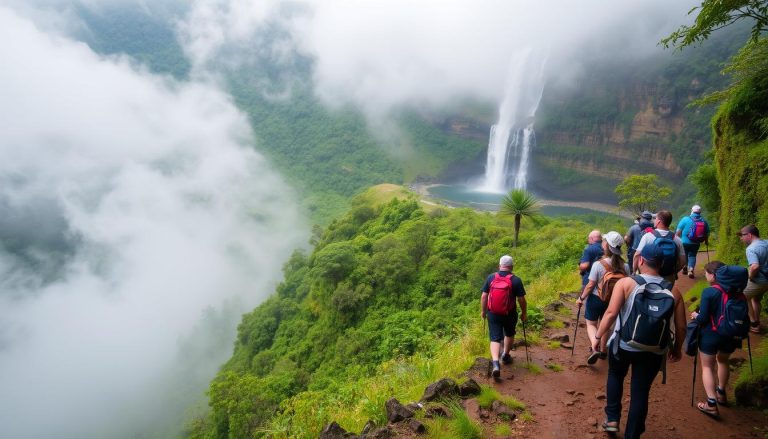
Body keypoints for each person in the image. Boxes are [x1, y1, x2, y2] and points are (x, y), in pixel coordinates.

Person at [592, 243, 686, 438]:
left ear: (641, 260)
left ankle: (612, 420)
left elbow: (610, 314)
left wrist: (598, 336)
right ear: (661, 264)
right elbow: (681, 326)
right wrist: (676, 349)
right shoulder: (674, 291)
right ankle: (633, 434)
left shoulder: (626, 283)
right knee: (641, 390)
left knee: (616, 375)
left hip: (624, 345)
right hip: (653, 350)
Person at [690, 261, 739, 417]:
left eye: (707, 272)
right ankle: (721, 393)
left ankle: (711, 403)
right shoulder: (737, 291)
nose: (705, 275)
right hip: (730, 335)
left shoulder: (709, 292)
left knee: (707, 368)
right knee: (723, 361)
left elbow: (703, 318)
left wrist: (695, 315)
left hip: (711, 335)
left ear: (713, 275)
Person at [577, 231, 629, 364]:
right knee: (606, 323)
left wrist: (581, 298)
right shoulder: (626, 266)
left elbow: (590, 285)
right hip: (614, 301)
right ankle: (603, 351)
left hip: (596, 298)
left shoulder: (598, 264)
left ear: (606, 246)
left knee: (591, 323)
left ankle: (595, 346)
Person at [481, 255, 527, 377]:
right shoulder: (516, 280)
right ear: (511, 267)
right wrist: (524, 313)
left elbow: (484, 296)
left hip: (493, 313)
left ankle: (496, 363)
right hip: (509, 314)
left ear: (499, 265)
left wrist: (483, 311)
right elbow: (521, 300)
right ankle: (506, 355)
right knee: (509, 333)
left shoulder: (491, 277)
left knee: (495, 338)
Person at [633, 210, 685, 285]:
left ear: (659, 221)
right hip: (669, 277)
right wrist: (674, 271)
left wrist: (634, 271)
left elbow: (637, 255)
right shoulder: (677, 239)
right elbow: (683, 261)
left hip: (650, 276)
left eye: (655, 219)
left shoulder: (648, 236)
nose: (654, 220)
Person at [738, 224, 768, 333]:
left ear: (749, 235)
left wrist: (750, 276)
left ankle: (753, 323)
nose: (741, 238)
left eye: (742, 235)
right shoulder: (766, 242)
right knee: (755, 299)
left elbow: (754, 266)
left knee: (742, 296)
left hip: (759, 281)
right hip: (766, 281)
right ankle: (757, 322)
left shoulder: (751, 249)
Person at [676, 205, 710, 279]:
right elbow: (707, 233)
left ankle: (685, 266)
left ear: (692, 211)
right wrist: (706, 241)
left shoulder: (685, 219)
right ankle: (690, 269)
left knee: (684, 254)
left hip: (684, 242)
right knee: (692, 256)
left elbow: (678, 231)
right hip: (696, 243)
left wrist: (676, 240)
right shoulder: (704, 221)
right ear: (700, 212)